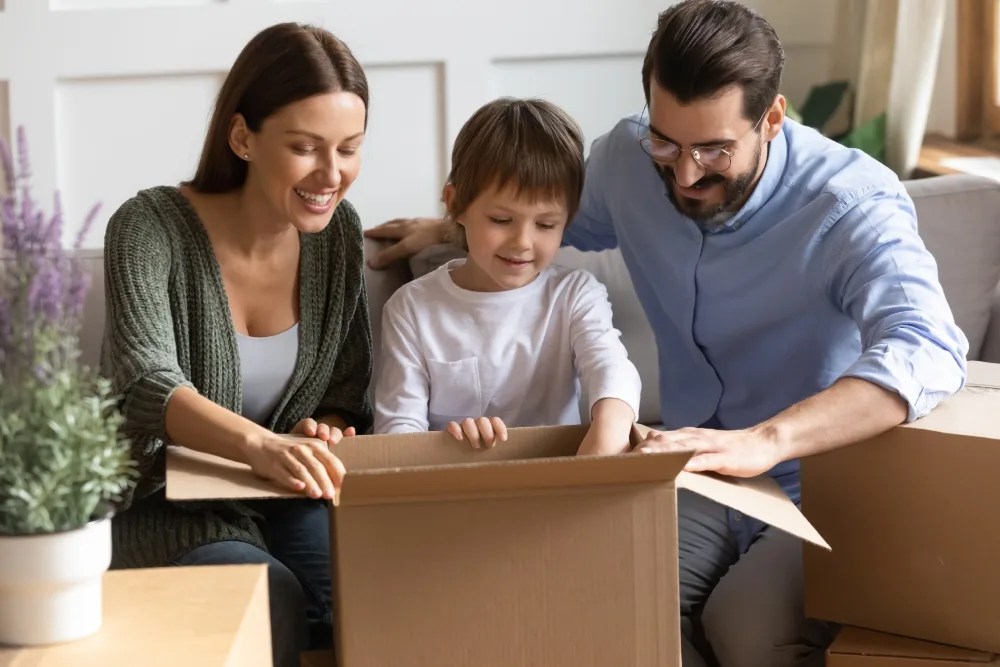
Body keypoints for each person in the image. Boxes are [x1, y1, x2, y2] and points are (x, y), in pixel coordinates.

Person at [363, 1, 969, 665]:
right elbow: (539, 217)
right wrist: (449, 227)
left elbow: (928, 346)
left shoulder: (851, 202)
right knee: (598, 598)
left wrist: (764, 440)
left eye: (714, 150)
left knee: (747, 631)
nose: (684, 175)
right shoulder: (629, 160)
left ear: (771, 119)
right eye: (667, 143)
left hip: (816, 483)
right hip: (690, 468)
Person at [100, 23, 372, 667]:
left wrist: (323, 430)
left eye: (349, 148)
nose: (331, 174)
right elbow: (146, 385)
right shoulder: (147, 228)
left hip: (292, 501)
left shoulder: (338, 237)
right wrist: (263, 445)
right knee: (265, 598)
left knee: (366, 593)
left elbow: (344, 392)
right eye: (305, 147)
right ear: (243, 137)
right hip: (170, 508)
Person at [374, 97, 641, 455]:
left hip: (560, 482)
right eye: (501, 220)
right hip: (451, 485)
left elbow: (611, 367)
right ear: (455, 204)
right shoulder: (412, 308)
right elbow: (396, 433)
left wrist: (609, 430)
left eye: (546, 224)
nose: (522, 242)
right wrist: (449, 447)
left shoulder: (575, 295)